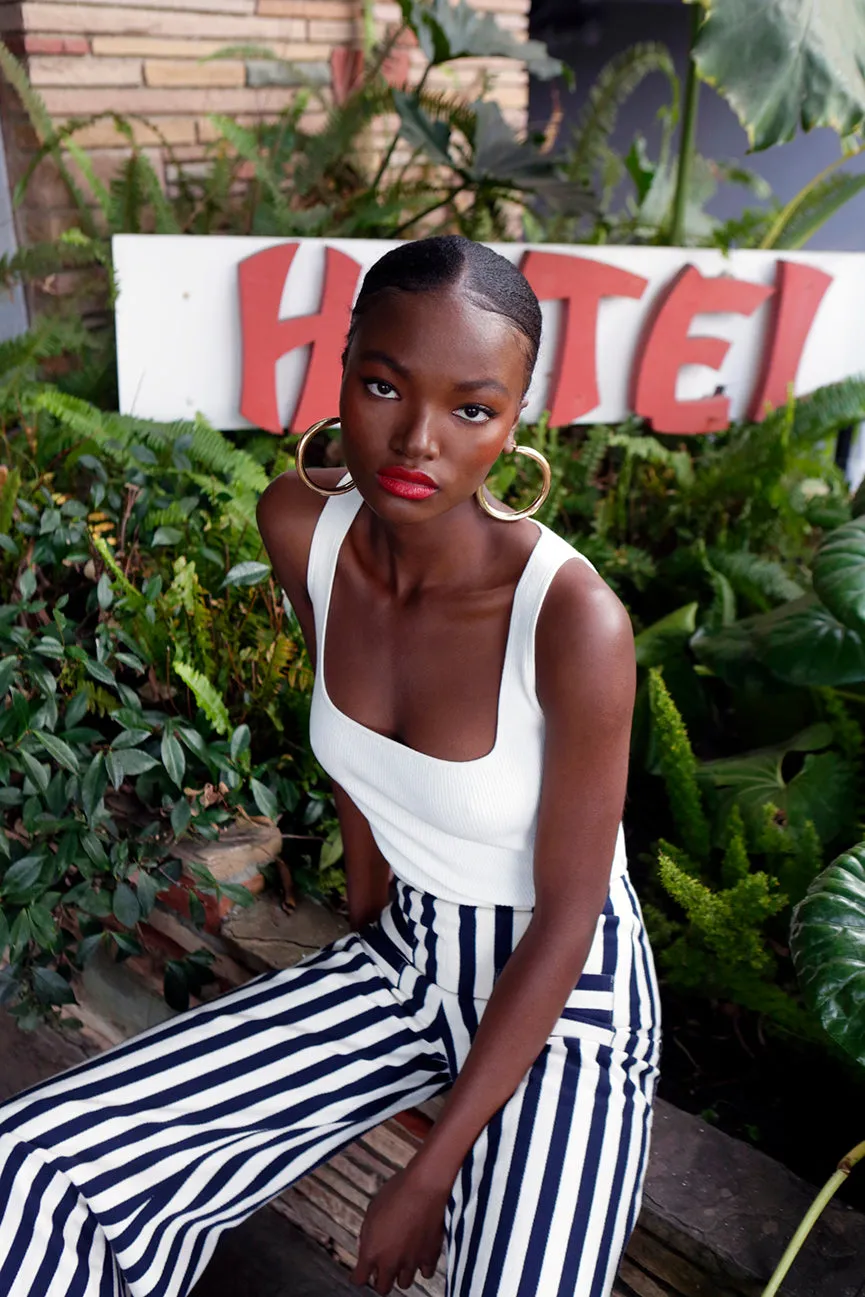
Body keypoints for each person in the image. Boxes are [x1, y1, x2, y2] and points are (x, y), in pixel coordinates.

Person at [0, 235, 659, 1297]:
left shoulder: (572, 621)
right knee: (37, 1165)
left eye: (472, 410)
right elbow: (346, 737)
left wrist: (426, 1169)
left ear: (517, 427)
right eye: (385, 383)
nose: (417, 438)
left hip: (565, 989)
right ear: (344, 366)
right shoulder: (301, 523)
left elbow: (571, 912)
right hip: (404, 958)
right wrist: (364, 903)